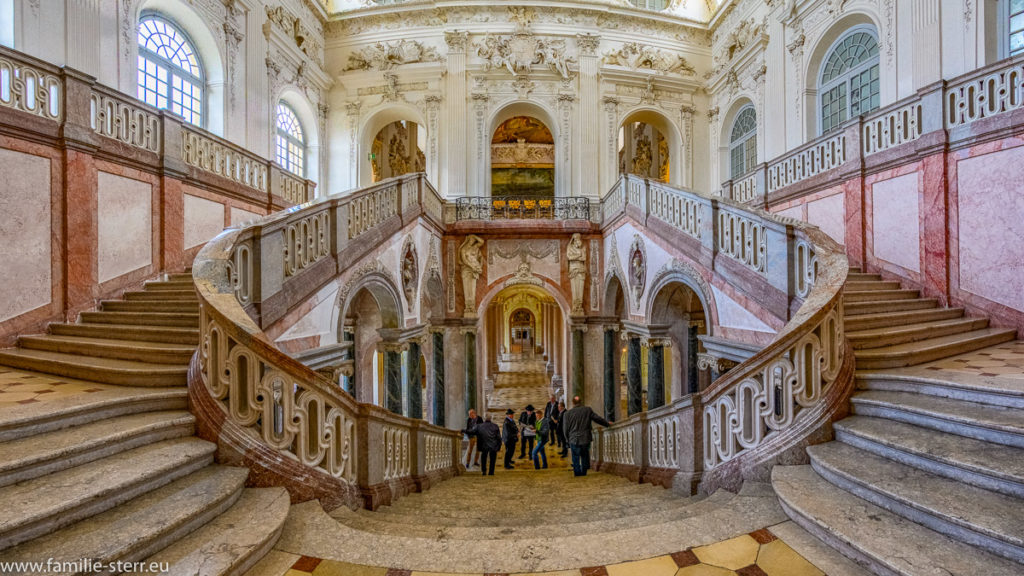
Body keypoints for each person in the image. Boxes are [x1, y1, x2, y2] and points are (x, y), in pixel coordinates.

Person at [562, 395, 611, 477]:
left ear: (573, 403)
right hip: (585, 438)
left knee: (575, 457)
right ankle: (584, 472)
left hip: (573, 438)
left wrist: (567, 439)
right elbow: (597, 419)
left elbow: (565, 429)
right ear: (581, 402)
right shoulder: (587, 410)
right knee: (584, 455)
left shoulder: (567, 414)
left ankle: (577, 473)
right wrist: (607, 424)